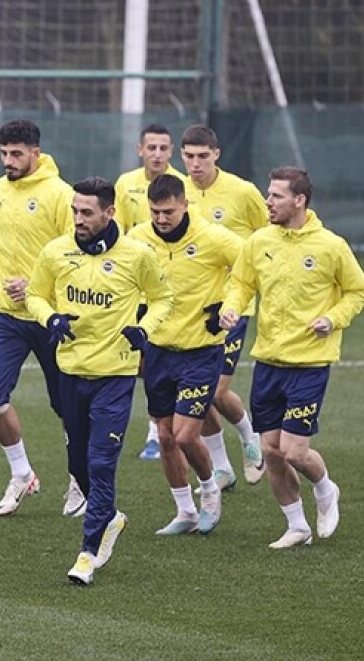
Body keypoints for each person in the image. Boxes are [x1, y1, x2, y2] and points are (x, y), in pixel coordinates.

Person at [25, 177, 173, 585]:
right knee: (77, 464)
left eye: (87, 212)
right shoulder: (56, 251)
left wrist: (144, 329)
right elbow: (35, 295)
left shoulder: (137, 255)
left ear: (109, 213)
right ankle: (109, 516)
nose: (78, 219)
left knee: (101, 462)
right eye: (75, 211)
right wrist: (50, 318)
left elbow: (162, 298)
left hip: (115, 376)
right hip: (70, 372)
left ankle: (88, 553)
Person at [220, 167, 364, 549]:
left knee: (294, 451)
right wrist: (232, 307)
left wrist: (332, 319)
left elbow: (358, 290)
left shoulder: (331, 246)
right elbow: (241, 283)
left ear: (299, 200)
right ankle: (297, 526)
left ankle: (325, 488)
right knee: (271, 451)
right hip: (268, 362)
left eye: (276, 196)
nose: (268, 202)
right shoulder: (259, 241)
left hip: (309, 364)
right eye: (268, 194)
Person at [128, 174, 242, 534]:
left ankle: (210, 489)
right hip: (158, 351)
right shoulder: (138, 239)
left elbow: (250, 270)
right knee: (164, 436)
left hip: (201, 352)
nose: (161, 219)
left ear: (185, 205)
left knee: (184, 436)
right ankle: (185, 512)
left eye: (169, 212)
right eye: (155, 212)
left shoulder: (213, 238)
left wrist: (229, 304)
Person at [0, 119, 79, 518]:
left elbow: (75, 256)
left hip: (51, 317)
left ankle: (79, 479)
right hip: (8, 317)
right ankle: (22, 474)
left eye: (16, 154)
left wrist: (36, 286)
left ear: (36, 153)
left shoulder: (61, 194)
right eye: (4, 153)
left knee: (67, 406)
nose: (9, 161)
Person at [181, 125, 267, 487]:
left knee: (214, 391)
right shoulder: (178, 191)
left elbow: (269, 236)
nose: (196, 164)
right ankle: (223, 467)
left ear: (217, 154)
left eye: (203, 156)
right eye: (189, 156)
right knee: (197, 395)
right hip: (190, 309)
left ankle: (249, 436)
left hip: (232, 306)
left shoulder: (242, 192)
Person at [114, 123, 191, 460]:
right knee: (143, 362)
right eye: (152, 147)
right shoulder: (125, 184)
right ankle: (161, 426)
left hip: (168, 288)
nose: (157, 154)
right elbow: (119, 229)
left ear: (170, 151)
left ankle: (157, 433)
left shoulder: (181, 186)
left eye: (163, 148)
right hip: (135, 284)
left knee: (164, 361)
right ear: (140, 150)